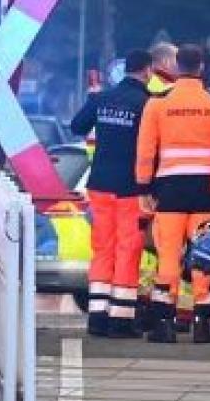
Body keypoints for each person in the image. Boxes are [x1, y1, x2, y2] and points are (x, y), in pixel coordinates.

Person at [135, 43, 210, 344]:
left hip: (170, 191)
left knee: (168, 255)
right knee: (205, 256)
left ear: (177, 67)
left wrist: (144, 186)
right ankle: (203, 324)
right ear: (202, 67)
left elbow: (145, 150)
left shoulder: (157, 104)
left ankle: (163, 323)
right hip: (206, 191)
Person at [71, 49, 153, 338]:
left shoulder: (102, 99)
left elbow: (76, 126)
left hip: (100, 184)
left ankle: (97, 317)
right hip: (131, 187)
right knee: (128, 249)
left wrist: (94, 104)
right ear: (147, 71)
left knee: (102, 248)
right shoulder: (147, 104)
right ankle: (120, 319)